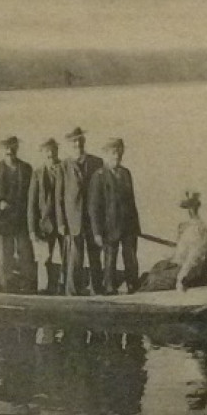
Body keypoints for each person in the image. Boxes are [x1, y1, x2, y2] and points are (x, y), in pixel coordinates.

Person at [89, 138, 141, 294]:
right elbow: (94, 207)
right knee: (110, 259)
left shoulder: (126, 173)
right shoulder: (98, 176)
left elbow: (131, 202)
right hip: (109, 228)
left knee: (130, 259)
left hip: (128, 227)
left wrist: (136, 227)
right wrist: (97, 232)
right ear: (106, 154)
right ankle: (110, 288)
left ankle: (133, 286)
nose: (117, 155)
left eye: (119, 151)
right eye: (113, 152)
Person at [58, 126, 105, 296]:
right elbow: (59, 198)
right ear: (70, 144)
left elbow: (102, 193)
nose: (77, 143)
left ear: (84, 141)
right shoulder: (63, 166)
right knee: (75, 257)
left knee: (95, 255)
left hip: (92, 218)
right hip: (73, 219)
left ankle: (96, 290)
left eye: (79, 140)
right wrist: (61, 222)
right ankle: (72, 292)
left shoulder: (96, 163)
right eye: (73, 141)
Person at [0, 136, 34, 292]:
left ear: (17, 149)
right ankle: (6, 289)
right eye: (7, 149)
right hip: (3, 222)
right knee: (5, 259)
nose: (10, 151)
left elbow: (33, 194)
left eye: (13, 148)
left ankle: (28, 288)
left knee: (26, 256)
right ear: (3, 151)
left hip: (22, 220)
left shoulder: (26, 169)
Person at [27, 137, 67, 294]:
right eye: (47, 151)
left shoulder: (65, 169)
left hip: (65, 222)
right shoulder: (37, 173)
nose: (50, 154)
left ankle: (64, 287)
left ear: (57, 151)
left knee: (67, 257)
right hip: (45, 224)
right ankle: (46, 288)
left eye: (53, 150)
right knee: (45, 258)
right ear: (43, 153)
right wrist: (31, 229)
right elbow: (31, 204)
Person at [174, 190, 207, 291]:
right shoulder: (187, 228)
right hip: (180, 267)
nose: (189, 211)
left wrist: (182, 277)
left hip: (189, 271)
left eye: (189, 207)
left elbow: (195, 257)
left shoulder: (198, 229)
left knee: (155, 280)